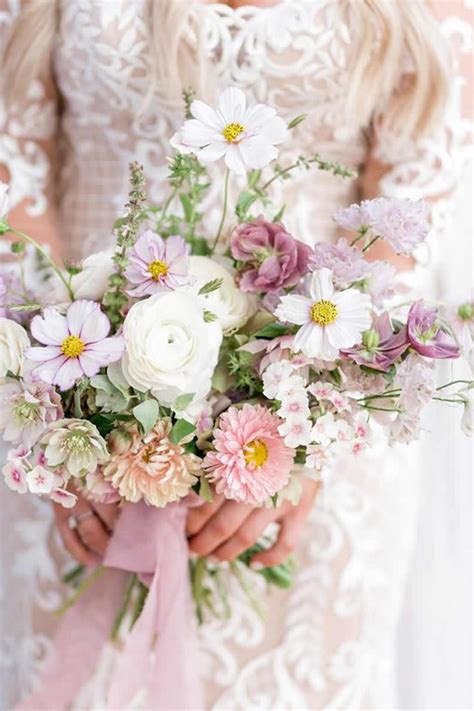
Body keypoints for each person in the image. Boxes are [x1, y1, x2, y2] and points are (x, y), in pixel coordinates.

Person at [0, 1, 464, 708]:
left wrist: (304, 429)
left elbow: (406, 207)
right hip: (66, 427)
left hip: (315, 460)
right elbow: (14, 175)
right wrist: (69, 428)